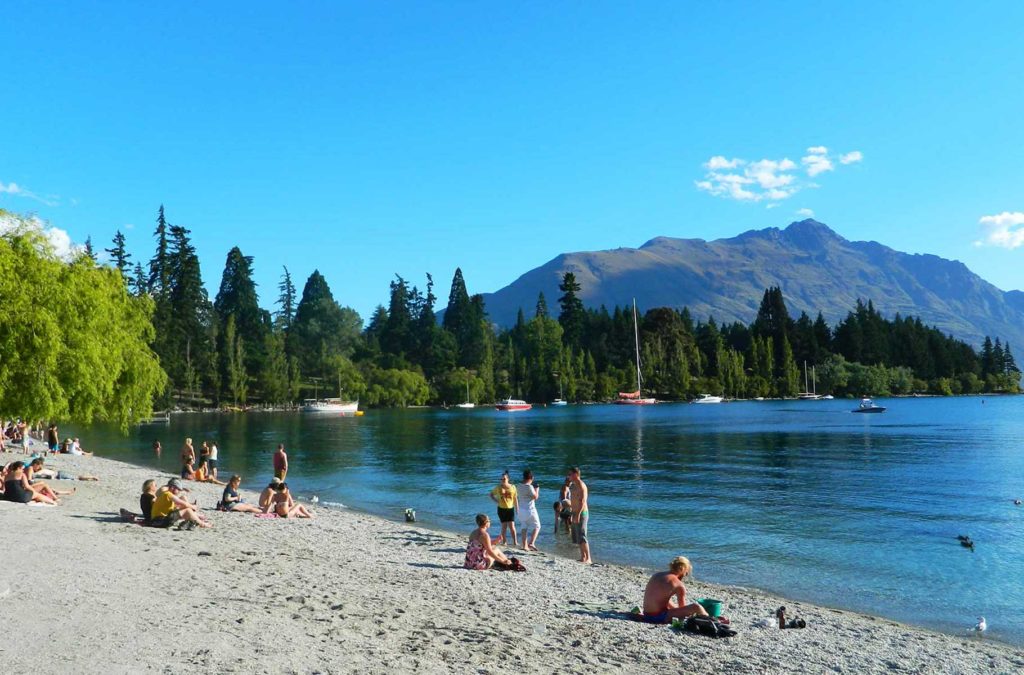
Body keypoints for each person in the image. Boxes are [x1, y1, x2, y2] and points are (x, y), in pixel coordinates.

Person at [641, 556, 708, 623]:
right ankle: (711, 621)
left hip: (646, 615)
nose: (685, 575)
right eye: (686, 573)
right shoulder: (679, 585)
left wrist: (675, 609)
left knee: (670, 604)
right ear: (683, 569)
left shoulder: (657, 575)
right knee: (696, 607)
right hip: (659, 617)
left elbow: (663, 601)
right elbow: (683, 610)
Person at [568, 466, 591, 564]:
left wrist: (577, 514)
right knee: (577, 537)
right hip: (574, 512)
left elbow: (582, 501)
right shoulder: (572, 485)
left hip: (582, 513)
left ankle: (588, 558)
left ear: (576, 474)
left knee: (582, 535)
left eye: (570, 474)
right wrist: (572, 513)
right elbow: (572, 499)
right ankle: (583, 557)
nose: (568, 476)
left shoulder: (582, 486)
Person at [489, 471, 518, 546]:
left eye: (504, 479)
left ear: (508, 479)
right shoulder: (498, 487)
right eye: (501, 479)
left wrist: (517, 508)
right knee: (504, 526)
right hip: (501, 509)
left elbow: (515, 499)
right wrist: (496, 501)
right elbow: (491, 494)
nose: (502, 480)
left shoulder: (513, 487)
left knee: (512, 526)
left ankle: (515, 542)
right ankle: (504, 542)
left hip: (510, 509)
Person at [516, 469, 541, 551]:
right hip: (530, 509)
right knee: (537, 526)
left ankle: (525, 546)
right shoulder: (530, 487)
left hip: (521, 509)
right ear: (532, 478)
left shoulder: (518, 485)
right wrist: (537, 488)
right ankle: (531, 542)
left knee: (524, 527)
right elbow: (535, 497)